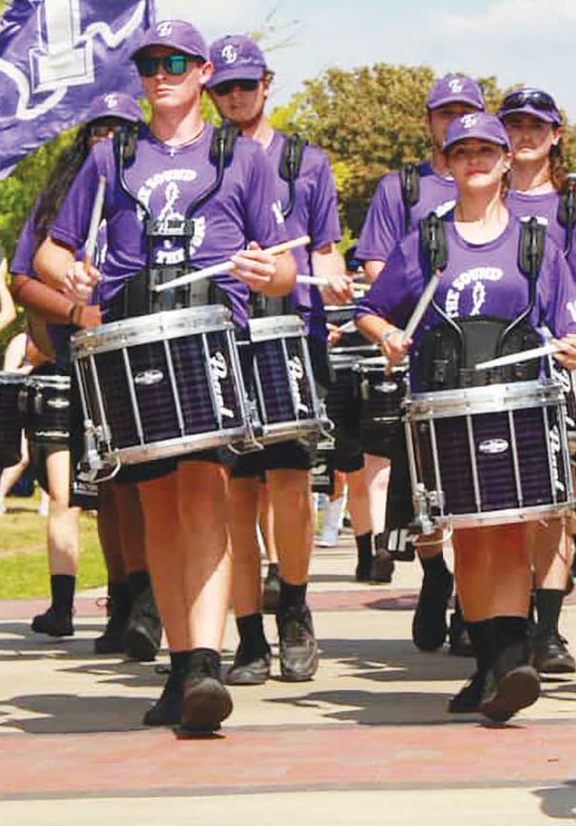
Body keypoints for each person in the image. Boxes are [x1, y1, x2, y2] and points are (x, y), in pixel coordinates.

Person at [36, 20, 295, 734]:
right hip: (132, 336)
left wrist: (264, 269)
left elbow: (286, 264)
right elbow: (51, 253)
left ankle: (206, 662)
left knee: (205, 496)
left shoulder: (240, 155)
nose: (161, 75)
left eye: (176, 63)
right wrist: (72, 277)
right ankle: (183, 665)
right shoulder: (112, 155)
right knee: (156, 507)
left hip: (209, 334)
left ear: (204, 72)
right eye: (150, 64)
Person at [356, 111, 576, 721]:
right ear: (449, 163)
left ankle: (509, 664)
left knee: (509, 533)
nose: (475, 161)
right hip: (446, 408)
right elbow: (371, 310)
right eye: (462, 153)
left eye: (486, 150)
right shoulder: (426, 242)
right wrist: (389, 336)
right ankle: (492, 666)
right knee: (470, 537)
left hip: (515, 408)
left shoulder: (536, 242)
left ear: (506, 159)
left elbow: (570, 323)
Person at [205, 35, 349, 686]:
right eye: (224, 87)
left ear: (267, 84)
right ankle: (246, 635)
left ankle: (293, 607)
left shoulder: (305, 161)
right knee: (234, 492)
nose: (236, 96)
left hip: (290, 334)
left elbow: (325, 248)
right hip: (222, 336)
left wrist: (334, 278)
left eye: (246, 84)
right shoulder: (205, 158)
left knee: (290, 483)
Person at [8, 93, 157, 653]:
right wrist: (75, 312)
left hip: (146, 350)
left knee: (148, 483)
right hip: (85, 356)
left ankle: (151, 602)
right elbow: (23, 279)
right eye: (99, 130)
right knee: (109, 487)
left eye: (121, 130)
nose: (109, 140)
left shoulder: (152, 189)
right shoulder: (60, 201)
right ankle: (124, 599)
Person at [496, 85, 576, 673]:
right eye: (514, 125)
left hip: (558, 367)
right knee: (496, 501)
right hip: (491, 366)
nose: (524, 136)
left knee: (554, 498)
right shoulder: (479, 196)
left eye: (535, 126)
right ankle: (492, 611)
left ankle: (546, 626)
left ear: (556, 135)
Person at [355, 74, 482, 652]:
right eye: (444, 114)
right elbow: (378, 270)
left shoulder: (495, 188)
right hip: (424, 355)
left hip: (484, 358)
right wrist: (395, 327)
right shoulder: (401, 190)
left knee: (479, 490)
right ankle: (435, 574)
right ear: (429, 122)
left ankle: (476, 607)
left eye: (464, 113)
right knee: (425, 490)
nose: (453, 123)